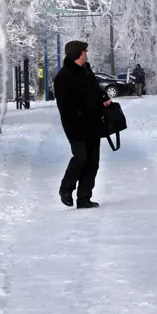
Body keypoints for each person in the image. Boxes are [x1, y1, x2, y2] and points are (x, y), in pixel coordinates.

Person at [54, 40, 110, 209]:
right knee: (81, 158)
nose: (87, 53)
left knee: (93, 161)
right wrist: (79, 115)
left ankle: (84, 198)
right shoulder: (63, 77)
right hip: (76, 126)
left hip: (93, 124)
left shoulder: (87, 71)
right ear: (77, 54)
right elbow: (65, 106)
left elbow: (95, 91)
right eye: (84, 51)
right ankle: (66, 189)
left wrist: (104, 98)